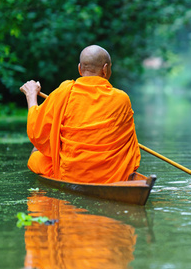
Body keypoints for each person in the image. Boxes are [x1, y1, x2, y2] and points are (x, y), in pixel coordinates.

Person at [20, 45, 140, 183]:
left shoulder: (65, 91)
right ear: (105, 69)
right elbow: (129, 144)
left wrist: (31, 96)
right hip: (113, 175)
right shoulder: (122, 98)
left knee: (36, 153)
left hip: (71, 174)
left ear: (79, 69)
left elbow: (37, 133)